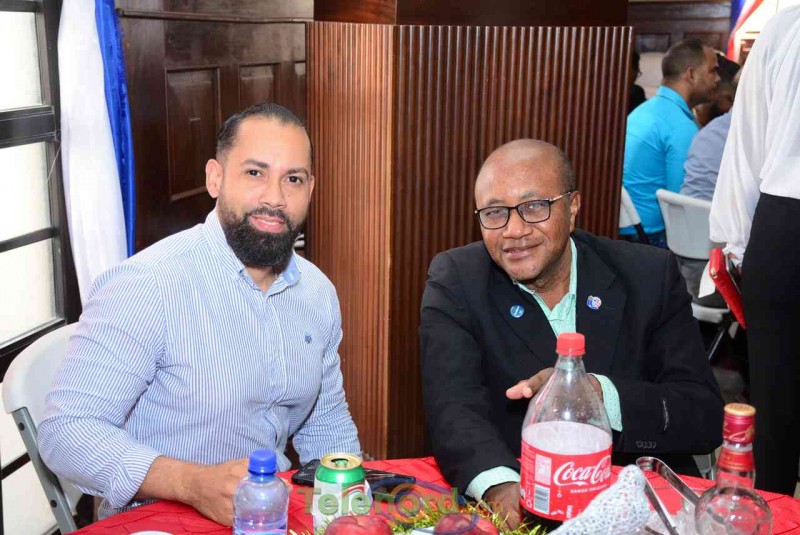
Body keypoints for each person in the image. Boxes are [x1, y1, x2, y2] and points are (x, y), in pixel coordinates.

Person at [38, 103, 362, 524]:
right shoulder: (147, 286)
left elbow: (326, 422)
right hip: (156, 520)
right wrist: (191, 483)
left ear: (310, 189)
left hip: (270, 514)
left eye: (293, 179)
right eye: (255, 172)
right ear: (215, 178)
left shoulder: (317, 292)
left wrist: (353, 515)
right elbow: (66, 433)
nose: (275, 197)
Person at [420, 139, 724, 529]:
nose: (514, 230)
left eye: (534, 207)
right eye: (495, 212)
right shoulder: (457, 281)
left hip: (637, 507)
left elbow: (702, 414)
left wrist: (594, 394)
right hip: (523, 497)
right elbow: (453, 411)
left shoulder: (648, 276)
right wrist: (502, 489)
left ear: (573, 206)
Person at [709, 5, 800, 496]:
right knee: (774, 412)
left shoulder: (786, 24)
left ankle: (776, 510)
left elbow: (745, 147)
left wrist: (740, 247)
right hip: (782, 219)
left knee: (776, 409)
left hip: (782, 226)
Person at [621, 39, 720, 247]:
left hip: (626, 229)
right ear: (691, 74)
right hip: (651, 238)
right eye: (713, 71)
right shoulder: (680, 126)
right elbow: (686, 201)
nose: (718, 79)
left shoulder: (644, 111)